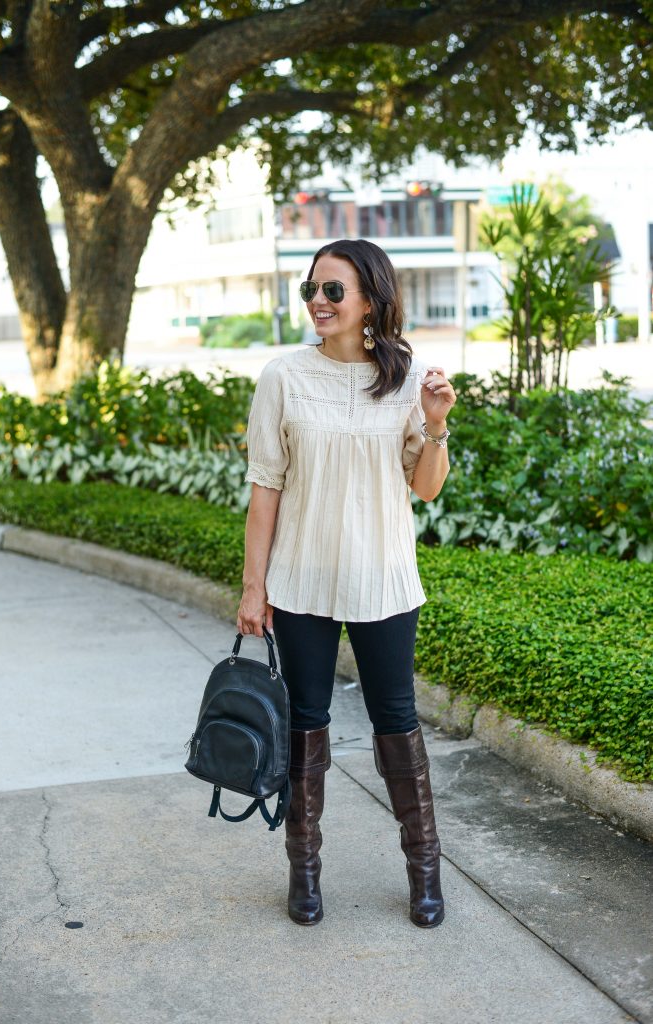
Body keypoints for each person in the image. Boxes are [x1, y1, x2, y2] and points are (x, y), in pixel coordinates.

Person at [237, 238, 457, 929]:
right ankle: (303, 875)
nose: (318, 303)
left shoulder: (407, 375)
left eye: (333, 291)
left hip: (384, 581)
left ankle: (425, 877)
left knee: (396, 721)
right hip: (300, 581)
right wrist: (253, 588)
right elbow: (265, 488)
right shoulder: (283, 376)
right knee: (305, 726)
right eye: (310, 290)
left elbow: (424, 489)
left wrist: (436, 424)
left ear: (370, 298)